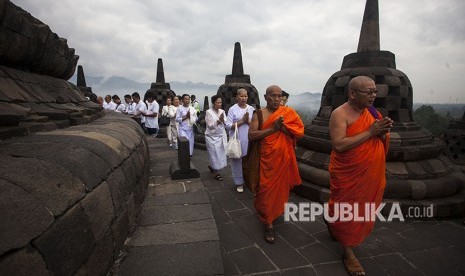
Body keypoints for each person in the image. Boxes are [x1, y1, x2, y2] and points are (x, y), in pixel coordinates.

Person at [328, 75, 392, 276]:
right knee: (347, 207)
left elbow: (378, 137)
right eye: (369, 92)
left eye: (375, 91)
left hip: (370, 175)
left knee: (362, 208)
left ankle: (331, 218)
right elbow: (338, 145)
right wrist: (371, 132)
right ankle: (347, 251)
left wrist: (383, 132)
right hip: (348, 173)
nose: (373, 96)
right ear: (352, 93)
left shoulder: (372, 112)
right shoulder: (340, 114)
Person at [248, 85, 304, 244]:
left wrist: (285, 129)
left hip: (283, 161)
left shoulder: (288, 113)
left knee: (280, 192)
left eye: (279, 96)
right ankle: (268, 223)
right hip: (266, 162)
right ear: (265, 97)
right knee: (265, 191)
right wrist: (273, 129)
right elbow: (251, 135)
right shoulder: (259, 114)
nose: (277, 99)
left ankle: (272, 213)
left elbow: (299, 132)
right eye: (273, 96)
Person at [226, 88, 255, 193]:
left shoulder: (251, 109)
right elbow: (228, 126)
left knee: (249, 161)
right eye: (242, 96)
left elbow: (254, 125)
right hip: (237, 140)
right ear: (237, 97)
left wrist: (248, 121)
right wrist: (242, 121)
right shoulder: (232, 109)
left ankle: (248, 180)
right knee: (237, 161)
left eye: (246, 96)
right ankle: (239, 183)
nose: (244, 98)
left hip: (248, 139)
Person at [205, 95, 228, 181]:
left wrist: (223, 120)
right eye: (218, 102)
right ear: (213, 103)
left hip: (221, 135)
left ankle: (212, 166)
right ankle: (216, 172)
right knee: (214, 153)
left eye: (220, 102)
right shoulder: (208, 112)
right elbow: (210, 126)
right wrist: (218, 121)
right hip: (211, 136)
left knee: (220, 154)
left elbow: (226, 122)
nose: (219, 104)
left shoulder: (222, 111)